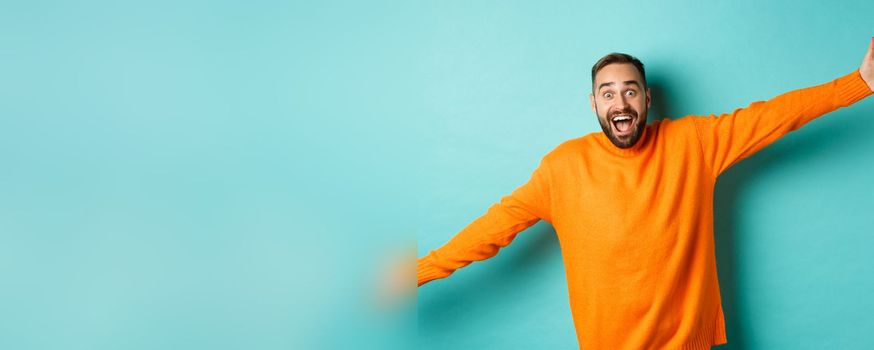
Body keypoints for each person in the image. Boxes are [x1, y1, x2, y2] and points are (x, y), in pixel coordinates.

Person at [416, 38, 874, 349]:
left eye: (630, 91)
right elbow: (493, 229)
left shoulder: (693, 142)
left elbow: (775, 116)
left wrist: (862, 82)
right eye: (608, 93)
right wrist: (415, 273)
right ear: (593, 104)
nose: (621, 103)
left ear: (647, 100)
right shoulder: (563, 168)